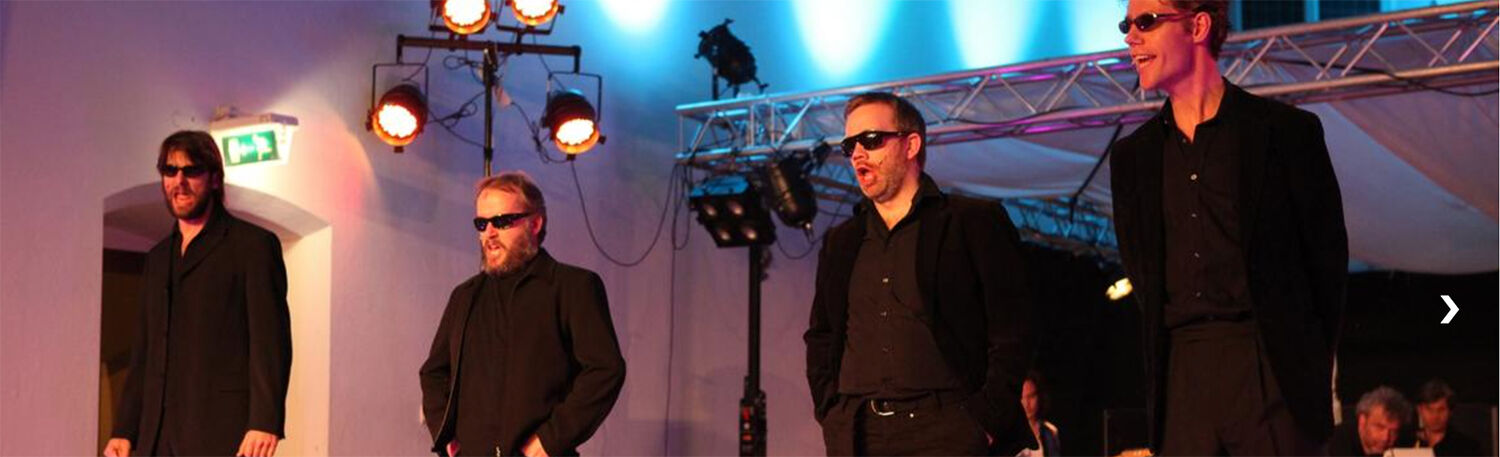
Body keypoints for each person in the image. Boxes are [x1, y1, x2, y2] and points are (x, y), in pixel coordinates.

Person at [1109, 0, 1348, 454]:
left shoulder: (1286, 132)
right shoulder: (1132, 158)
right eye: (1127, 24)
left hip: (1269, 368)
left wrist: (1304, 366)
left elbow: (1327, 264)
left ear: (1198, 25)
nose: (1130, 36)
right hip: (1181, 374)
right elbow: (1141, 270)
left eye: (1146, 22)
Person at [804, 91, 1036, 456]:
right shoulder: (841, 241)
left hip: (946, 429)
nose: (858, 154)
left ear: (911, 144)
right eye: (850, 146)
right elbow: (822, 334)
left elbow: (1013, 328)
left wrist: (985, 419)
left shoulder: (971, 221)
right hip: (858, 431)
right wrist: (830, 412)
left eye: (871, 140)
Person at [104, 131, 292, 457]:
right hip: (157, 435)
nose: (179, 181)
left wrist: (265, 420)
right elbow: (145, 353)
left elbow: (270, 341)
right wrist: (124, 429)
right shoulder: (158, 258)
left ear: (215, 179)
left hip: (222, 431)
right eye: (170, 171)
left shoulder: (252, 246)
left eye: (191, 171)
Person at [420, 171, 625, 457]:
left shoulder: (572, 287)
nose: (490, 233)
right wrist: (445, 434)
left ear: (535, 223)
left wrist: (550, 440)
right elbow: (434, 372)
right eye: (482, 223)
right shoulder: (465, 296)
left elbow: (605, 371)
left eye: (502, 221)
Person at [1328, 386, 1411, 457]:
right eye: (1380, 427)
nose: (1385, 438)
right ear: (1362, 421)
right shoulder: (1338, 441)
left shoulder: (1404, 443)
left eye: (1393, 432)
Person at [1411, 379, 1483, 456]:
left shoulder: (1468, 447)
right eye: (1429, 409)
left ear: (1450, 411)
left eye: (1441, 409)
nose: (1435, 416)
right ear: (1419, 409)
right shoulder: (1408, 441)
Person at [1019, 371, 1061, 457]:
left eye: (1031, 396)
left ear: (1040, 397)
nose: (1026, 404)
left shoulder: (1050, 432)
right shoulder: (1006, 433)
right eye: (1022, 398)